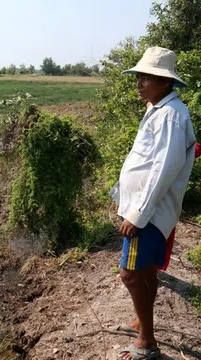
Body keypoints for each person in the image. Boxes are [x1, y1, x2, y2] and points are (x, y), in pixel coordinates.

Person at [110, 46, 197, 360]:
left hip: (148, 213)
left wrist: (137, 213)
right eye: (139, 76)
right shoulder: (158, 109)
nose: (139, 82)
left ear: (166, 83)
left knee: (129, 274)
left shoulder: (172, 116)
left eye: (148, 77)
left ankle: (146, 342)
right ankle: (140, 322)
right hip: (145, 209)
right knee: (145, 271)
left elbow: (164, 169)